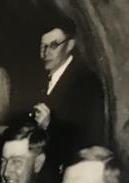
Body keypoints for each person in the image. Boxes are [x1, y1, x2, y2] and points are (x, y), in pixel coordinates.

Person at [32, 15, 105, 165]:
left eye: (53, 45)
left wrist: (49, 126)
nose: (45, 53)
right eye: (42, 46)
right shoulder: (40, 79)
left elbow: (87, 140)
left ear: (70, 45)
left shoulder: (86, 84)